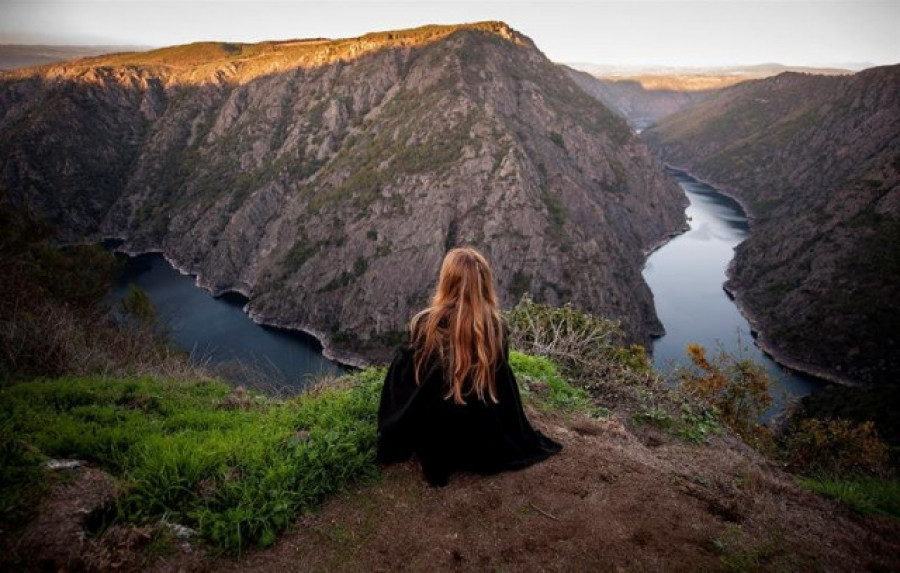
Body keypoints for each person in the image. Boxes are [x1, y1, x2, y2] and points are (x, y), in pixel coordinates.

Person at [376, 247, 562, 486]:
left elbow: (406, 382)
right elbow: (500, 387)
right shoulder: (496, 328)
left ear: (447, 282)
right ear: (485, 285)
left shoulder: (426, 325)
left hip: (438, 435)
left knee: (404, 364)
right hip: (481, 436)